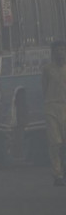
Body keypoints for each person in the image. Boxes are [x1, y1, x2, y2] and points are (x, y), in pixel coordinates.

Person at [41, 40, 66, 186]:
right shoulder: (47, 69)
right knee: (55, 143)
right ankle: (57, 174)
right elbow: (44, 88)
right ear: (53, 52)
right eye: (58, 50)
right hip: (51, 108)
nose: (60, 53)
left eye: (63, 50)